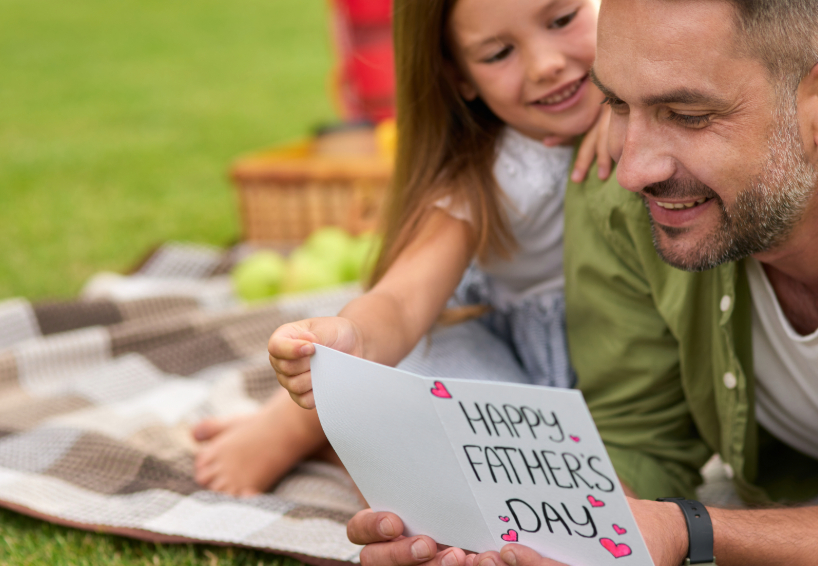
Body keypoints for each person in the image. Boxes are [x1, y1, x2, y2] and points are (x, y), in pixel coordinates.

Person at [340, 1, 818, 565]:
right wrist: (502, 538)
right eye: (617, 101)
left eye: (686, 114)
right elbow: (640, 440)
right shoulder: (610, 172)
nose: (632, 169)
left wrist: (689, 532)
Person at [193, 0, 616, 496]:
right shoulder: (490, 178)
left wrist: (635, 112)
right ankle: (297, 426)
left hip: (638, 367)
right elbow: (401, 301)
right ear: (460, 77)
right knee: (414, 386)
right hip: (526, 369)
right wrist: (352, 339)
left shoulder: (667, 104)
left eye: (563, 20)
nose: (546, 64)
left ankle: (339, 440)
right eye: (499, 53)